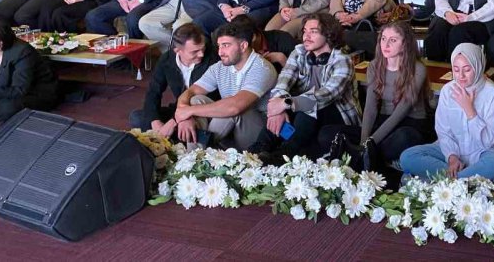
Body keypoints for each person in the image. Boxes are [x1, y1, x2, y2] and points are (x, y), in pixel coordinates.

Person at [322, 21, 429, 170]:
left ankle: (361, 156)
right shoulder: (374, 65)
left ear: (405, 44)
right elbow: (370, 109)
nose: (386, 44)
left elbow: (400, 113)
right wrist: (363, 142)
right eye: (383, 39)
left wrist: (369, 144)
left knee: (404, 138)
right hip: (382, 121)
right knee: (326, 134)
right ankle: (370, 157)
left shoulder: (418, 69)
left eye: (393, 40)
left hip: (409, 124)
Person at [252, 12, 358, 162]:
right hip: (305, 113)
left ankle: (284, 155)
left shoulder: (342, 60)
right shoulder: (299, 53)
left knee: (305, 107)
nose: (306, 36)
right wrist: (278, 108)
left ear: (329, 34)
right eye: (304, 31)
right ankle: (257, 151)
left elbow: (326, 95)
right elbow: (283, 82)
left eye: (313, 31)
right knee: (285, 106)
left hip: (338, 114)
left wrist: (286, 103)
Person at [400, 43, 494, 181]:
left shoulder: (492, 93)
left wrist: (469, 110)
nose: (461, 76)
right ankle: (462, 179)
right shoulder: (448, 90)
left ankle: (448, 181)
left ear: (478, 66)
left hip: (483, 152)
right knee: (407, 157)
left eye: (467, 70)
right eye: (456, 69)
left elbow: (487, 141)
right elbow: (443, 131)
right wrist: (452, 157)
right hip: (454, 149)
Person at [173, 20, 277, 150]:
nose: (220, 52)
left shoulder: (262, 68)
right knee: (196, 100)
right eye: (219, 46)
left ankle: (200, 153)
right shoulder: (219, 67)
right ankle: (195, 154)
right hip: (227, 130)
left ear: (243, 46)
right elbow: (191, 92)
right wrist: (184, 116)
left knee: (232, 108)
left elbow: (235, 107)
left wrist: (189, 111)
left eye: (226, 45)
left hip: (259, 135)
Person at [128, 23, 218, 136]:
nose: (201, 54)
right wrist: (155, 121)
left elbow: (208, 98)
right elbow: (153, 92)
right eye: (194, 52)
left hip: (204, 110)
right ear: (177, 51)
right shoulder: (166, 60)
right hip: (179, 109)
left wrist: (177, 120)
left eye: (202, 48)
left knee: (190, 127)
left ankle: (175, 136)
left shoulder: (213, 59)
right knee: (137, 117)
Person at [0, 17, 57, 128]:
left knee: (8, 107)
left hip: (31, 93)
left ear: (0, 41)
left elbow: (19, 90)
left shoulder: (23, 52)